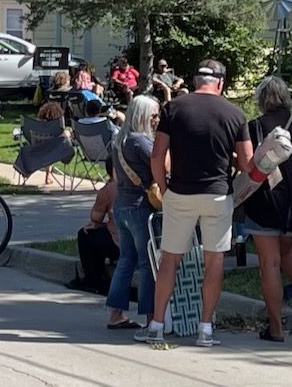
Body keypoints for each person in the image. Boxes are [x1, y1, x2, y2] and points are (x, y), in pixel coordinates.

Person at [140, 59, 252, 348]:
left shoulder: (173, 108)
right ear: (220, 83)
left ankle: (156, 325)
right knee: (214, 261)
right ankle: (205, 329)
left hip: (180, 193)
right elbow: (247, 162)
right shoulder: (235, 114)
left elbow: (157, 156)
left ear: (194, 81)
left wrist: (163, 188)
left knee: (169, 260)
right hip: (218, 194)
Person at [243, 77, 292, 342]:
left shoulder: (256, 126)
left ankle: (276, 327)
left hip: (265, 201)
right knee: (288, 250)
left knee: (270, 263)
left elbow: (247, 162)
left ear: (261, 99)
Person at [105, 95, 159, 330]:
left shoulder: (120, 140)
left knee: (126, 260)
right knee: (147, 263)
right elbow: (161, 166)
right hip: (141, 207)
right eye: (154, 115)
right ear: (143, 116)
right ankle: (151, 317)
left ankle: (116, 314)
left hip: (122, 204)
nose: (157, 120)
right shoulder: (140, 142)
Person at [68, 160, 119, 295]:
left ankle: (93, 279)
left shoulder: (110, 189)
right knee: (101, 233)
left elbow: (95, 217)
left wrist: (99, 223)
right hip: (141, 239)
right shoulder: (139, 183)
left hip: (119, 243)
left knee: (85, 234)